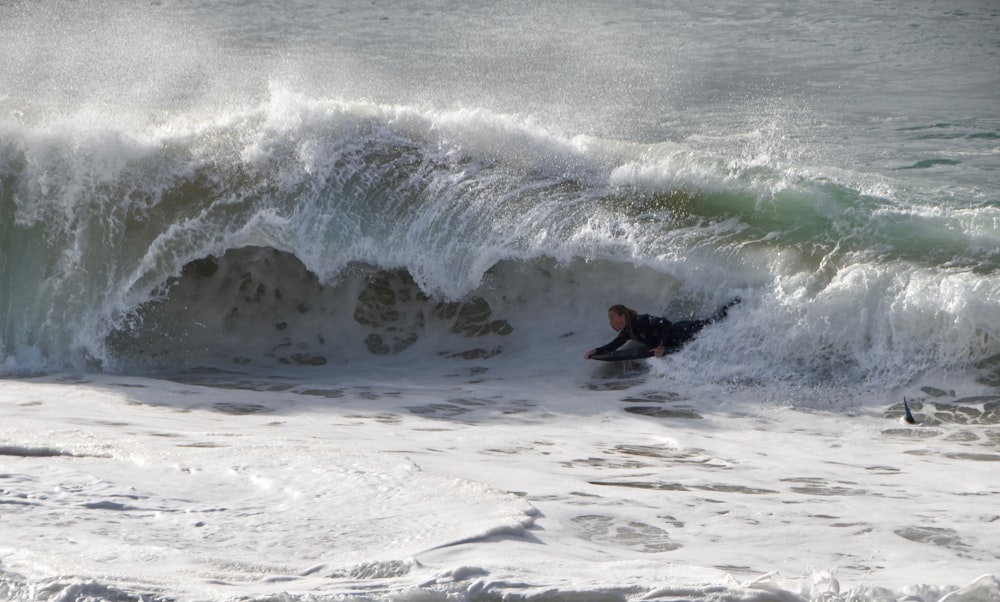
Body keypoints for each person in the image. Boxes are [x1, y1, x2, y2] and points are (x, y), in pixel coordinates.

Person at [585, 299, 740, 359]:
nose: (610, 322)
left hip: (682, 331)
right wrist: (596, 351)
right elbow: (614, 346)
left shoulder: (641, 320)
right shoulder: (628, 332)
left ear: (622, 316)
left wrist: (661, 346)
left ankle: (736, 304)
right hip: (677, 338)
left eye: (612, 318)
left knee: (715, 322)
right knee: (713, 323)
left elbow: (665, 323)